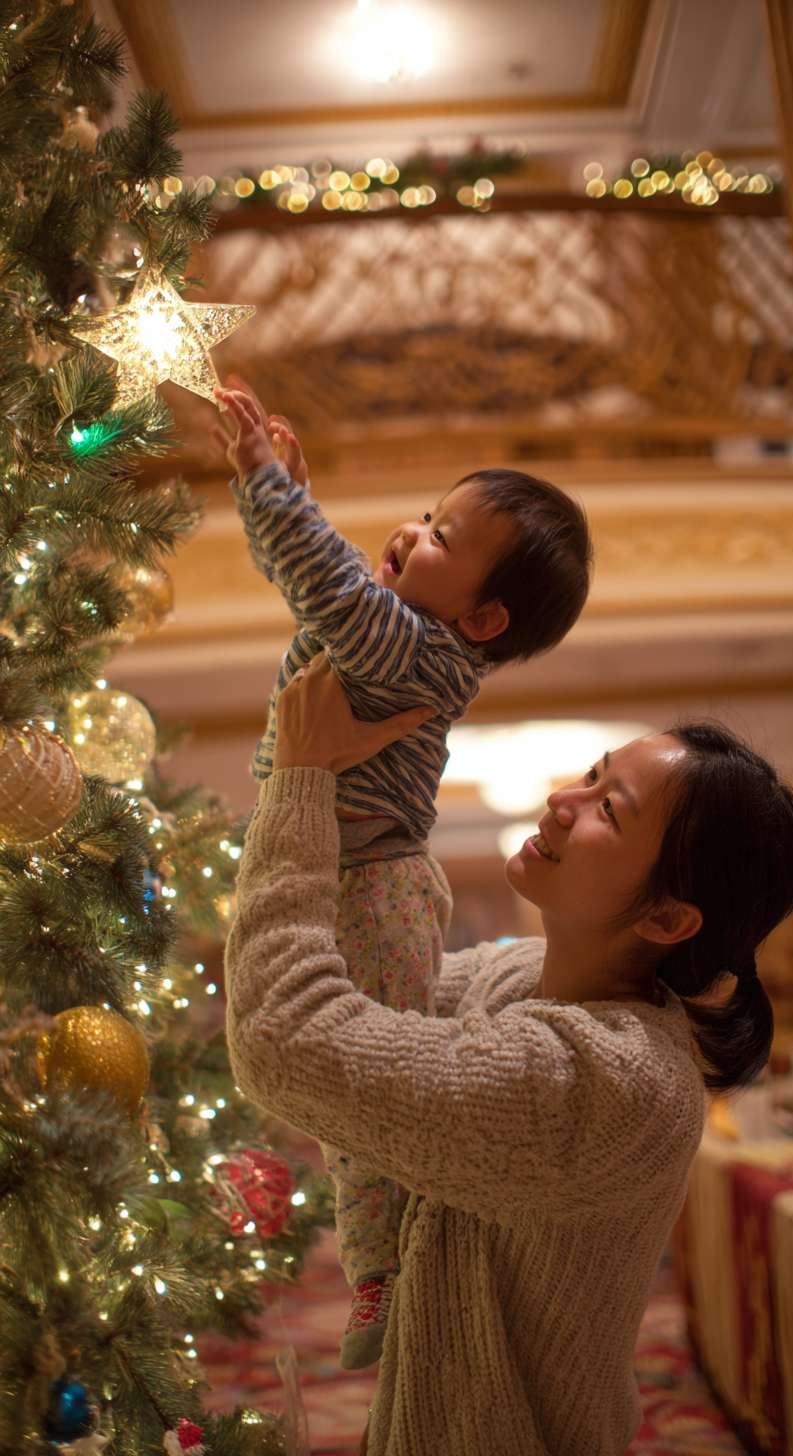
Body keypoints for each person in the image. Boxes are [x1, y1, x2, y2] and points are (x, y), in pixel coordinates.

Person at [225, 654, 793, 1456]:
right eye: (590, 775)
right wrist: (369, 801)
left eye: (609, 806)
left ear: (670, 918)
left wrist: (298, 779)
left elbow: (285, 1038)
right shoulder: (518, 975)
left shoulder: (605, 1079)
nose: (562, 799)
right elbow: (366, 996)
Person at [213, 379, 591, 1366]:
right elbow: (306, 583)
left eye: (442, 539)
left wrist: (268, 484)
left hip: (375, 884)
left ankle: (380, 1273)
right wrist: (280, 490)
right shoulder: (398, 627)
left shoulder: (422, 657)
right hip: (361, 876)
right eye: (428, 515)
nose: (413, 532)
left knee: (369, 1099)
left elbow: (325, 587)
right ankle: (388, 1261)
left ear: (484, 619)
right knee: (359, 1094)